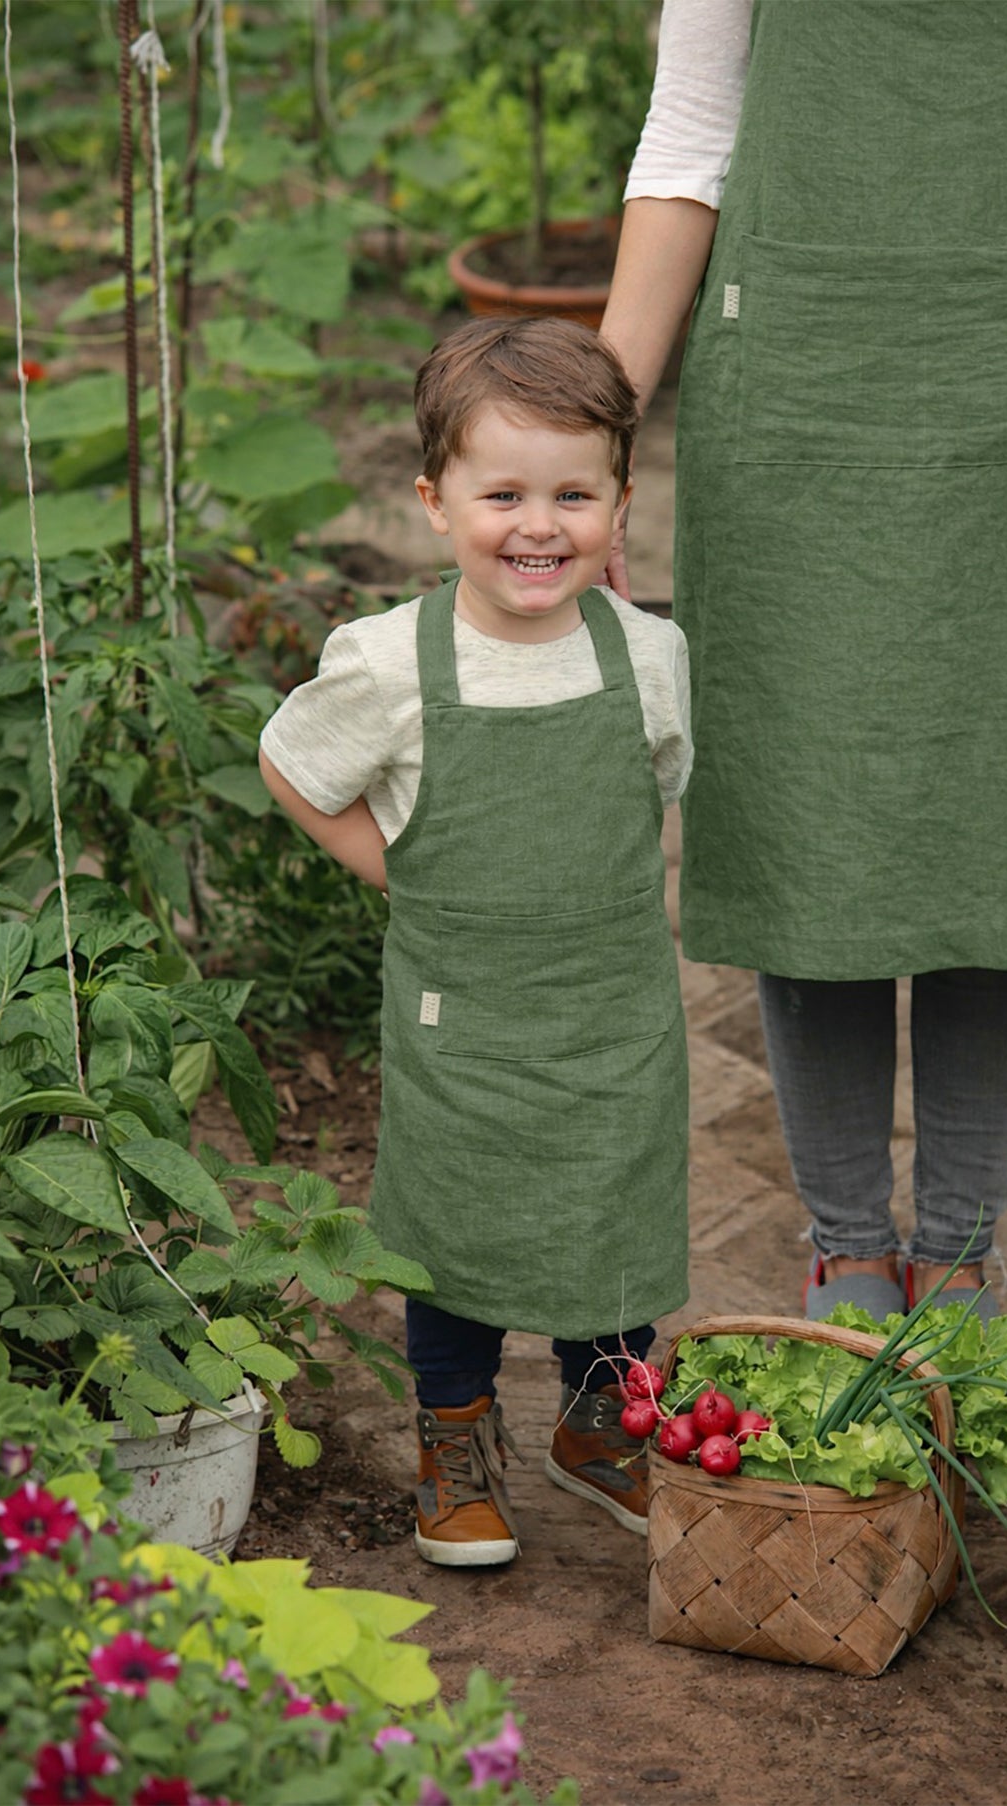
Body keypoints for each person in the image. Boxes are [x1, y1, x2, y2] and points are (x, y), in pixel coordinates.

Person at [599, 0, 1007, 1324]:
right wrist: (589, 442)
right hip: (805, 382)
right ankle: (844, 1242)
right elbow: (691, 134)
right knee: (810, 811)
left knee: (1001, 812)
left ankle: (958, 1249)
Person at [258, 317, 692, 1566]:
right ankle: (452, 1436)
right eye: (502, 495)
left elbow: (657, 786)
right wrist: (399, 867)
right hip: (463, 1017)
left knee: (612, 1207)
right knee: (450, 1229)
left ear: (621, 503)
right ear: (434, 502)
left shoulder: (647, 654)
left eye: (573, 495)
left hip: (611, 1009)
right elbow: (292, 765)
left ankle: (601, 1422)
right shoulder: (391, 662)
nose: (536, 526)